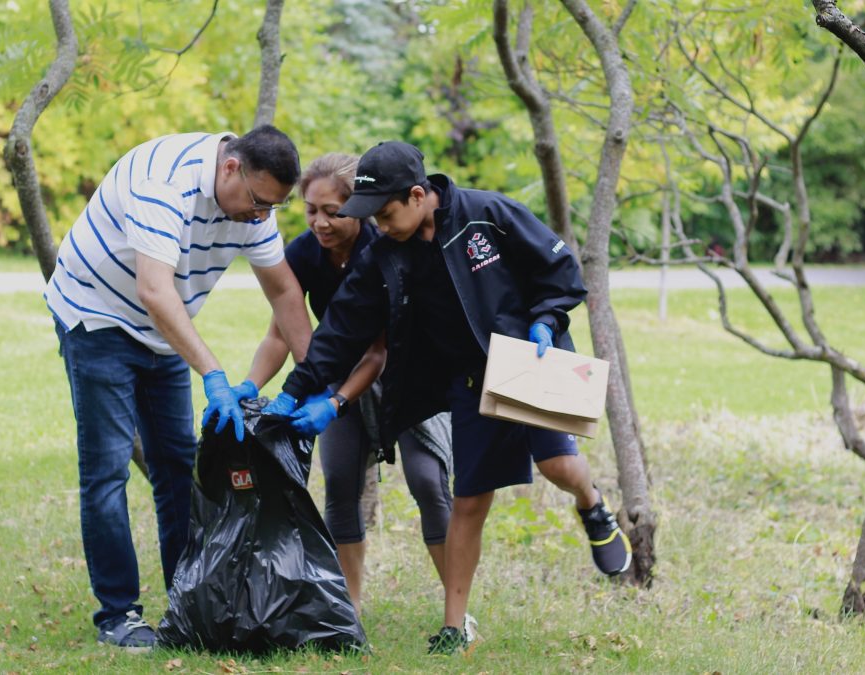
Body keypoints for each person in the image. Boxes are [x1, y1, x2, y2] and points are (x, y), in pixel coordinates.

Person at [265, 141, 632, 655]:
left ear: (419, 196)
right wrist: (295, 392)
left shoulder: (487, 215)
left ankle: (593, 505)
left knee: (558, 467)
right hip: (470, 378)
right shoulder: (384, 254)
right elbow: (342, 328)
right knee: (468, 501)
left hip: (531, 359)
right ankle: (455, 626)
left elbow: (558, 270)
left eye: (387, 213)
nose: (381, 225)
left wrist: (546, 321)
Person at [43, 125, 314, 652]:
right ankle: (117, 614)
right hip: (97, 315)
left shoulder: (256, 204)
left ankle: (188, 597)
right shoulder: (164, 183)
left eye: (272, 209)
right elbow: (154, 289)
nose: (260, 217)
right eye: (258, 203)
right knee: (107, 467)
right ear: (230, 167)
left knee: (176, 466)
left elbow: (283, 289)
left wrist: (319, 382)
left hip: (163, 329)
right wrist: (213, 375)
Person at [229, 153, 455, 618]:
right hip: (333, 371)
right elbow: (279, 332)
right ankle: (347, 609)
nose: (320, 222)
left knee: (429, 482)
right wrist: (249, 386)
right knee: (339, 483)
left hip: (406, 374)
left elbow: (379, 351)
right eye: (311, 209)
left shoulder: (386, 245)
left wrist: (334, 402)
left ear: (359, 208)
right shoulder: (303, 254)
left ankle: (457, 607)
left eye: (332, 211)